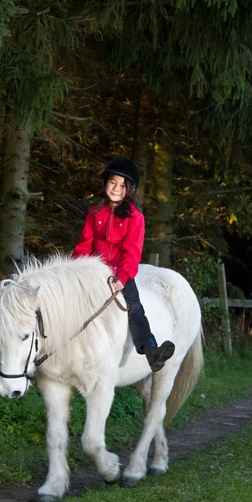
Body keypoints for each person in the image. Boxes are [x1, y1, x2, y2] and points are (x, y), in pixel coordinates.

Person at [72, 156, 175, 372]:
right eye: (112, 183)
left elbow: (132, 252)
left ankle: (150, 349)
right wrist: (77, 270)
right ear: (105, 184)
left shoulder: (135, 218)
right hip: (94, 270)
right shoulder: (94, 213)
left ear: (130, 190)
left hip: (120, 273)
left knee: (134, 307)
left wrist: (122, 277)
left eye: (122, 185)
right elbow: (84, 245)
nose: (116, 188)